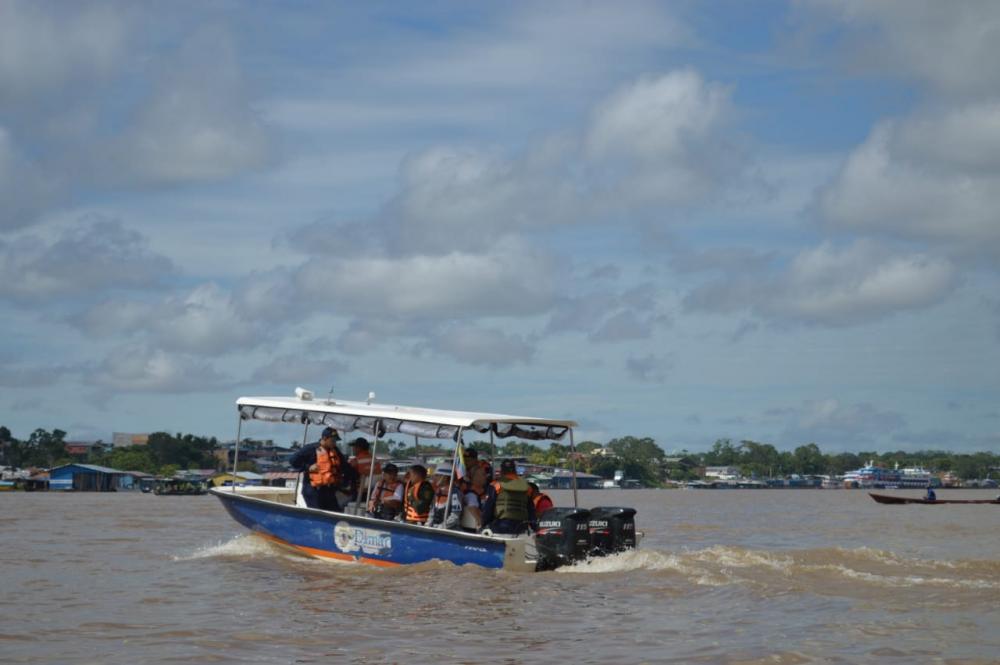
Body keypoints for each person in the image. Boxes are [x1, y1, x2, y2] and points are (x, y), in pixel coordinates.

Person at [289, 427, 349, 511]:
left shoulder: (335, 451)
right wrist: (308, 468)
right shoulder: (310, 449)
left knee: (336, 514)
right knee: (319, 515)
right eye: (333, 440)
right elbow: (293, 461)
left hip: (328, 491)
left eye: (335, 441)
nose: (334, 443)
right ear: (324, 438)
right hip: (313, 491)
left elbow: (344, 466)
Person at [481, 459, 535, 535]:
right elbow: (531, 511)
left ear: (501, 471)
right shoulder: (527, 486)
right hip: (521, 527)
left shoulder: (496, 485)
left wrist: (483, 524)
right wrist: (535, 528)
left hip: (501, 525)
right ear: (515, 470)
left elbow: (488, 508)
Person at [349, 438, 381, 509]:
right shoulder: (375, 460)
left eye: (354, 447)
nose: (353, 449)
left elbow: (348, 473)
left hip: (360, 493)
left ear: (359, 448)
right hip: (374, 492)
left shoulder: (355, 461)